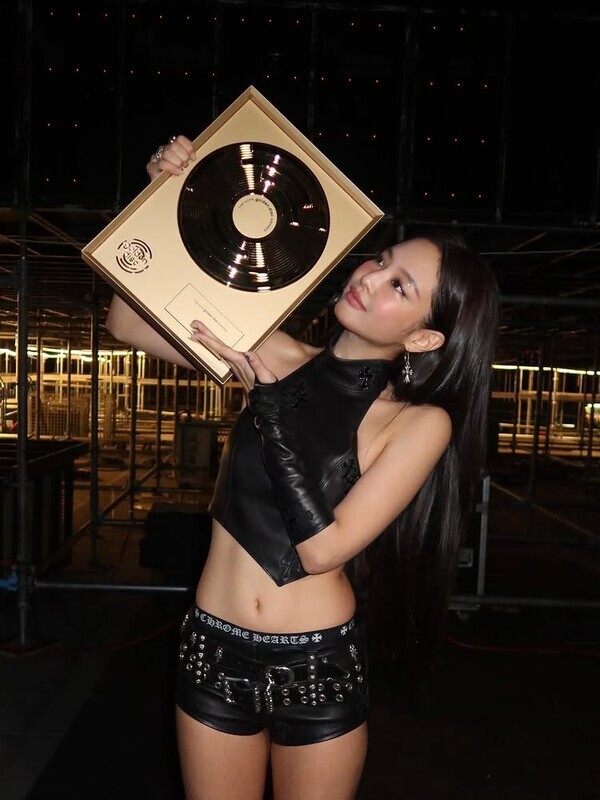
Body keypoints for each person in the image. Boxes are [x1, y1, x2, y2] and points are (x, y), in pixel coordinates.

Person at [105, 135, 499, 800]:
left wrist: (269, 409)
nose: (368, 277)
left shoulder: (417, 423)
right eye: (381, 260)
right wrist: (160, 197)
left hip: (315, 665)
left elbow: (321, 550)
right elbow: (125, 322)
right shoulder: (275, 351)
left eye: (398, 285)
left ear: (424, 337)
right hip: (212, 645)